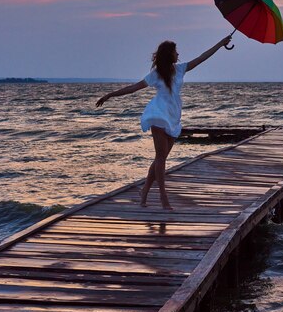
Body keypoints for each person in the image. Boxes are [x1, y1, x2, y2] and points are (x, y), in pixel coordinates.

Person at [96, 35, 232, 210]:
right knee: (161, 157)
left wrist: (221, 44)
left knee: (161, 157)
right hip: (158, 114)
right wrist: (110, 95)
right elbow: (134, 88)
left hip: (173, 116)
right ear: (169, 54)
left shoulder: (181, 69)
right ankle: (163, 197)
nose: (178, 54)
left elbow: (202, 57)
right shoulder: (156, 74)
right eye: (175, 51)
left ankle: (144, 190)